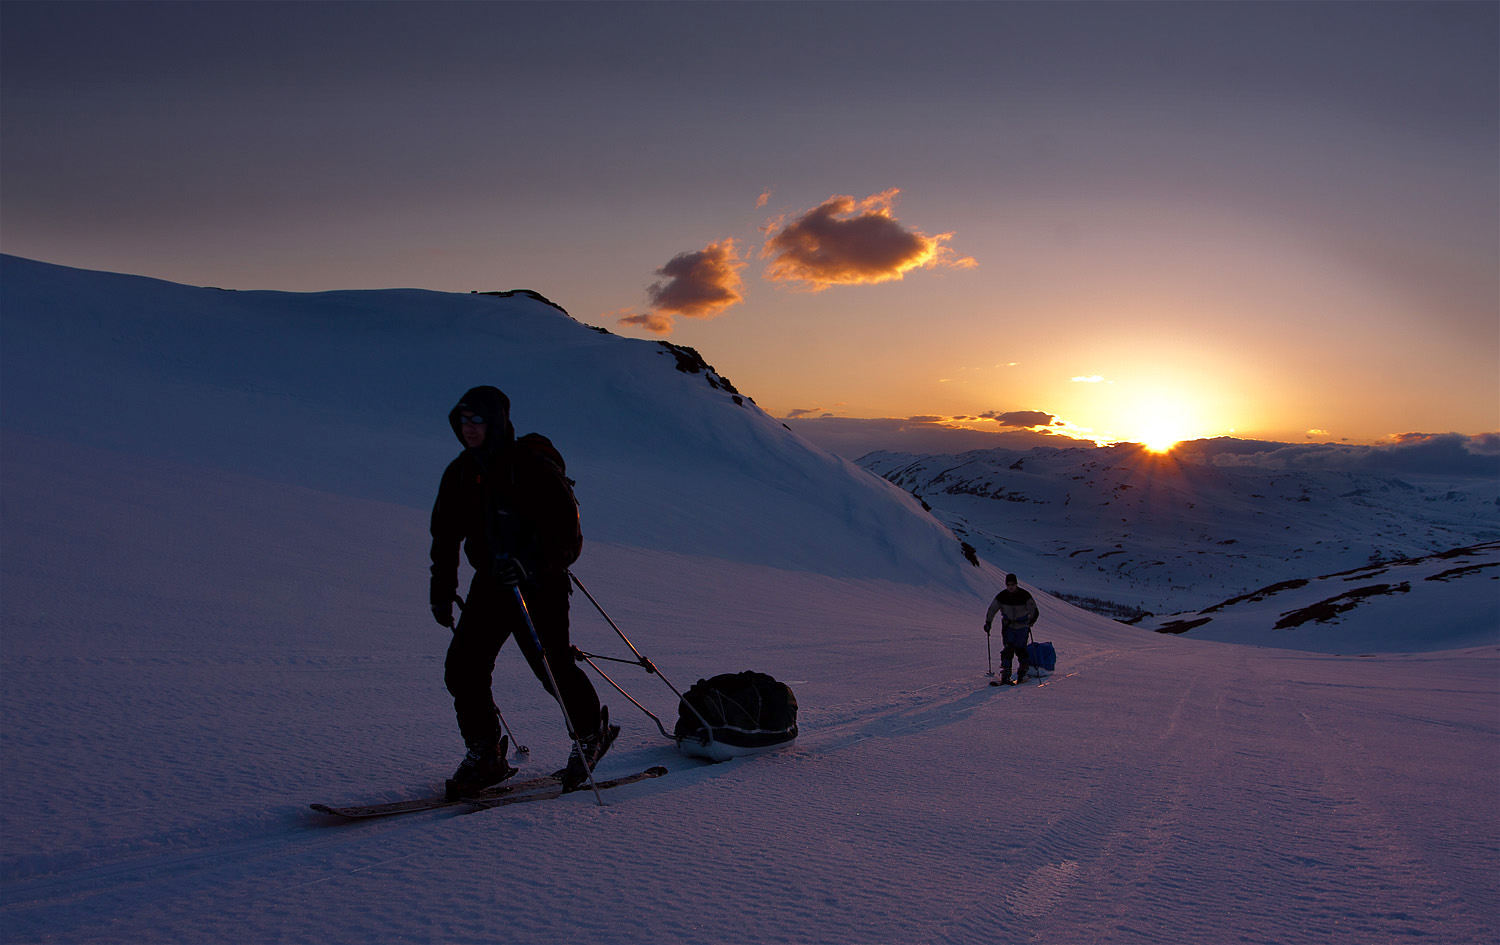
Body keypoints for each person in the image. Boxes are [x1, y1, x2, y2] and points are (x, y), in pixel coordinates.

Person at [429, 385, 617, 796]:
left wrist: (529, 563)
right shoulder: (461, 473)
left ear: (495, 422)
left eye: (477, 420)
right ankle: (485, 753)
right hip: (492, 583)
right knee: (463, 667)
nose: (469, 428)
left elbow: (569, 534)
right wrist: (441, 590)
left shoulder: (529, 467)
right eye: (463, 421)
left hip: (539, 583)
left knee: (551, 666)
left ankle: (590, 732)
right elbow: (445, 535)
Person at [984, 573, 1039, 685]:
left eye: (1012, 584)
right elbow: (993, 609)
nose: (1010, 587)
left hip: (1022, 627)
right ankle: (1006, 672)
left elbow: (1034, 609)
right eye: (1008, 585)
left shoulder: (1024, 595)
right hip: (1008, 627)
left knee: (1020, 649)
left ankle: (1023, 669)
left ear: (1016, 584)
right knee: (1008, 649)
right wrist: (988, 622)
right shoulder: (1002, 596)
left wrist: (1031, 620)